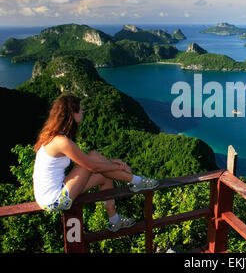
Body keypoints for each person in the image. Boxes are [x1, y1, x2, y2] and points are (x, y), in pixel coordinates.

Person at [33, 93, 159, 232]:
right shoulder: (61, 141)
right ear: (72, 114)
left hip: (55, 195)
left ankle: (114, 220)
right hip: (55, 200)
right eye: (80, 109)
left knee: (104, 175)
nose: (83, 111)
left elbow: (83, 163)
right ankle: (136, 181)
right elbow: (91, 166)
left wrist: (112, 163)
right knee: (93, 158)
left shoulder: (55, 137)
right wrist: (118, 166)